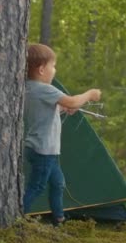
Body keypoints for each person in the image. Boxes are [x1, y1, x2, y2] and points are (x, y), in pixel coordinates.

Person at [23, 43, 102, 225]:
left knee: (58, 183)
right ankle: (14, 218)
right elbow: (73, 101)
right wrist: (89, 94)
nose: (54, 70)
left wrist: (62, 109)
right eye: (53, 65)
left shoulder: (29, 87)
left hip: (39, 148)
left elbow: (44, 112)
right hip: (44, 150)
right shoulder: (44, 89)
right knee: (37, 186)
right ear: (42, 69)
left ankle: (59, 218)